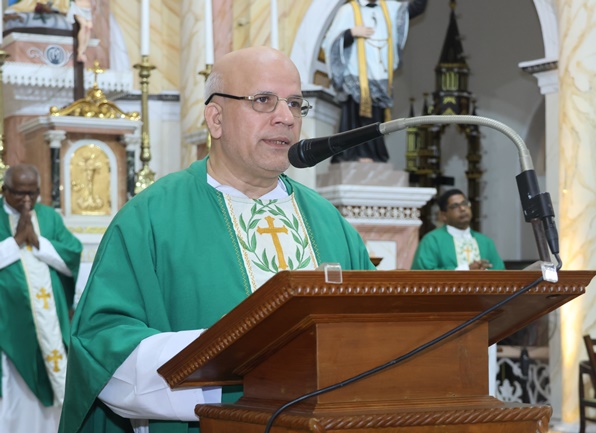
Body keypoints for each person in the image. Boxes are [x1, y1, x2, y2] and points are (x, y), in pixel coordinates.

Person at [59, 46, 375, 433]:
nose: (285, 118)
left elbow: (371, 336)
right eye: (264, 101)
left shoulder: (329, 222)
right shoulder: (152, 217)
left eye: (295, 104)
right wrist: (223, 370)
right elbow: (101, 345)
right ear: (216, 118)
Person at [0, 163, 83, 433]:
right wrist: (14, 243)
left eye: (33, 194)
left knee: (53, 388)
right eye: (19, 194)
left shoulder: (48, 217)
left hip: (50, 321)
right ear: (4, 190)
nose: (27, 201)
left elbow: (72, 253)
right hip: (9, 329)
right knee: (14, 393)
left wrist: (38, 243)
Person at [321, 0, 428, 163]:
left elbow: (415, 8)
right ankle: (352, 154)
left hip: (379, 76)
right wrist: (350, 33)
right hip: (356, 77)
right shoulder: (347, 10)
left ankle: (374, 154)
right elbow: (329, 43)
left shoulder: (391, 8)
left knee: (376, 120)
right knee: (355, 118)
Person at [411, 188, 505, 270]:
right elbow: (423, 275)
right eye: (455, 206)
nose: (462, 208)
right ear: (443, 215)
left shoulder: (485, 242)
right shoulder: (432, 241)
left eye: (464, 203)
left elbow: (501, 275)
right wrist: (465, 270)